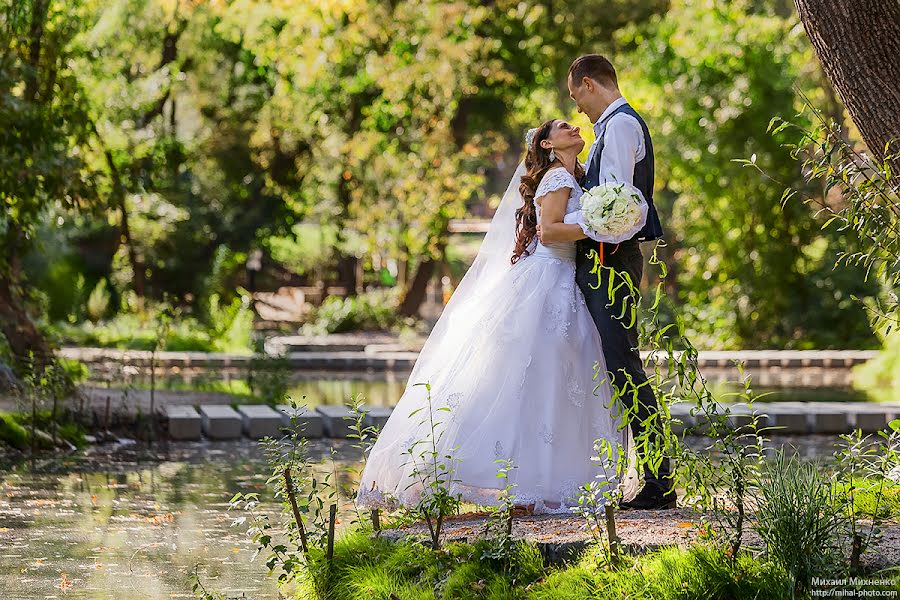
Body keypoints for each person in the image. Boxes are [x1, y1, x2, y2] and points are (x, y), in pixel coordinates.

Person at [356, 117, 641, 516]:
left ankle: (541, 480)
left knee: (552, 382)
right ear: (546, 144)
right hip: (548, 278)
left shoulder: (574, 176)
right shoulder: (558, 178)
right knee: (529, 380)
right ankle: (514, 481)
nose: (575, 127)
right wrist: (597, 224)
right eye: (563, 126)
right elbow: (549, 232)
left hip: (563, 279)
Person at [539, 54, 674, 510]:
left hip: (611, 261)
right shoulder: (612, 127)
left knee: (623, 364)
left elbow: (618, 204)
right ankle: (631, 474)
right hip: (603, 257)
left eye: (576, 97)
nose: (577, 109)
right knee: (615, 365)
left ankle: (659, 481)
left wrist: (572, 229)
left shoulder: (618, 126)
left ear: (590, 84)